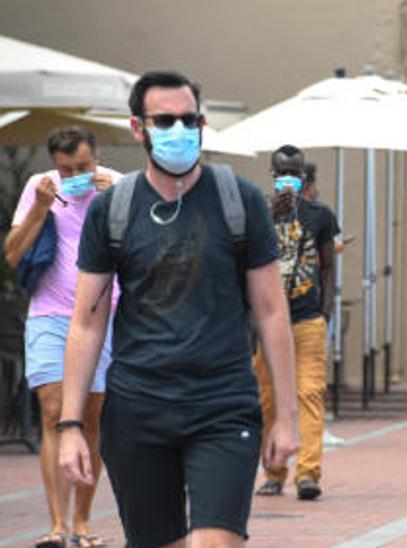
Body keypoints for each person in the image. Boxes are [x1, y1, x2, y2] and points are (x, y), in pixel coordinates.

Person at [58, 71, 300, 547]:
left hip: (222, 405)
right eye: (164, 120)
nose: (178, 130)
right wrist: (70, 425)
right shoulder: (114, 209)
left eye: (188, 119)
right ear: (137, 128)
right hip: (137, 410)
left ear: (202, 123)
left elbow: (272, 311)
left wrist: (288, 417)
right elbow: (87, 323)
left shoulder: (239, 200)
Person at [5, 126, 119, 548]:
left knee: (91, 414)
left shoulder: (119, 187)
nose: (75, 174)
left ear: (97, 158)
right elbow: (13, 254)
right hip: (51, 315)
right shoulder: (40, 187)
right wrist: (38, 209)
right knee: (54, 410)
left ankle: (84, 521)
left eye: (83, 167)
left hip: (104, 313)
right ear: (54, 163)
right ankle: (57, 526)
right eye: (66, 167)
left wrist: (114, 204)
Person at [250, 145, 337, 501]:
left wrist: (324, 312)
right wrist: (270, 214)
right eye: (282, 172)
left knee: (309, 394)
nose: (289, 178)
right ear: (272, 175)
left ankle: (308, 474)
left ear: (304, 177)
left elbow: (329, 265)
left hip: (306, 319)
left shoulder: (320, 215)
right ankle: (273, 472)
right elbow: (242, 256)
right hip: (267, 325)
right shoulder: (257, 214)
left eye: (295, 173)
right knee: (267, 399)